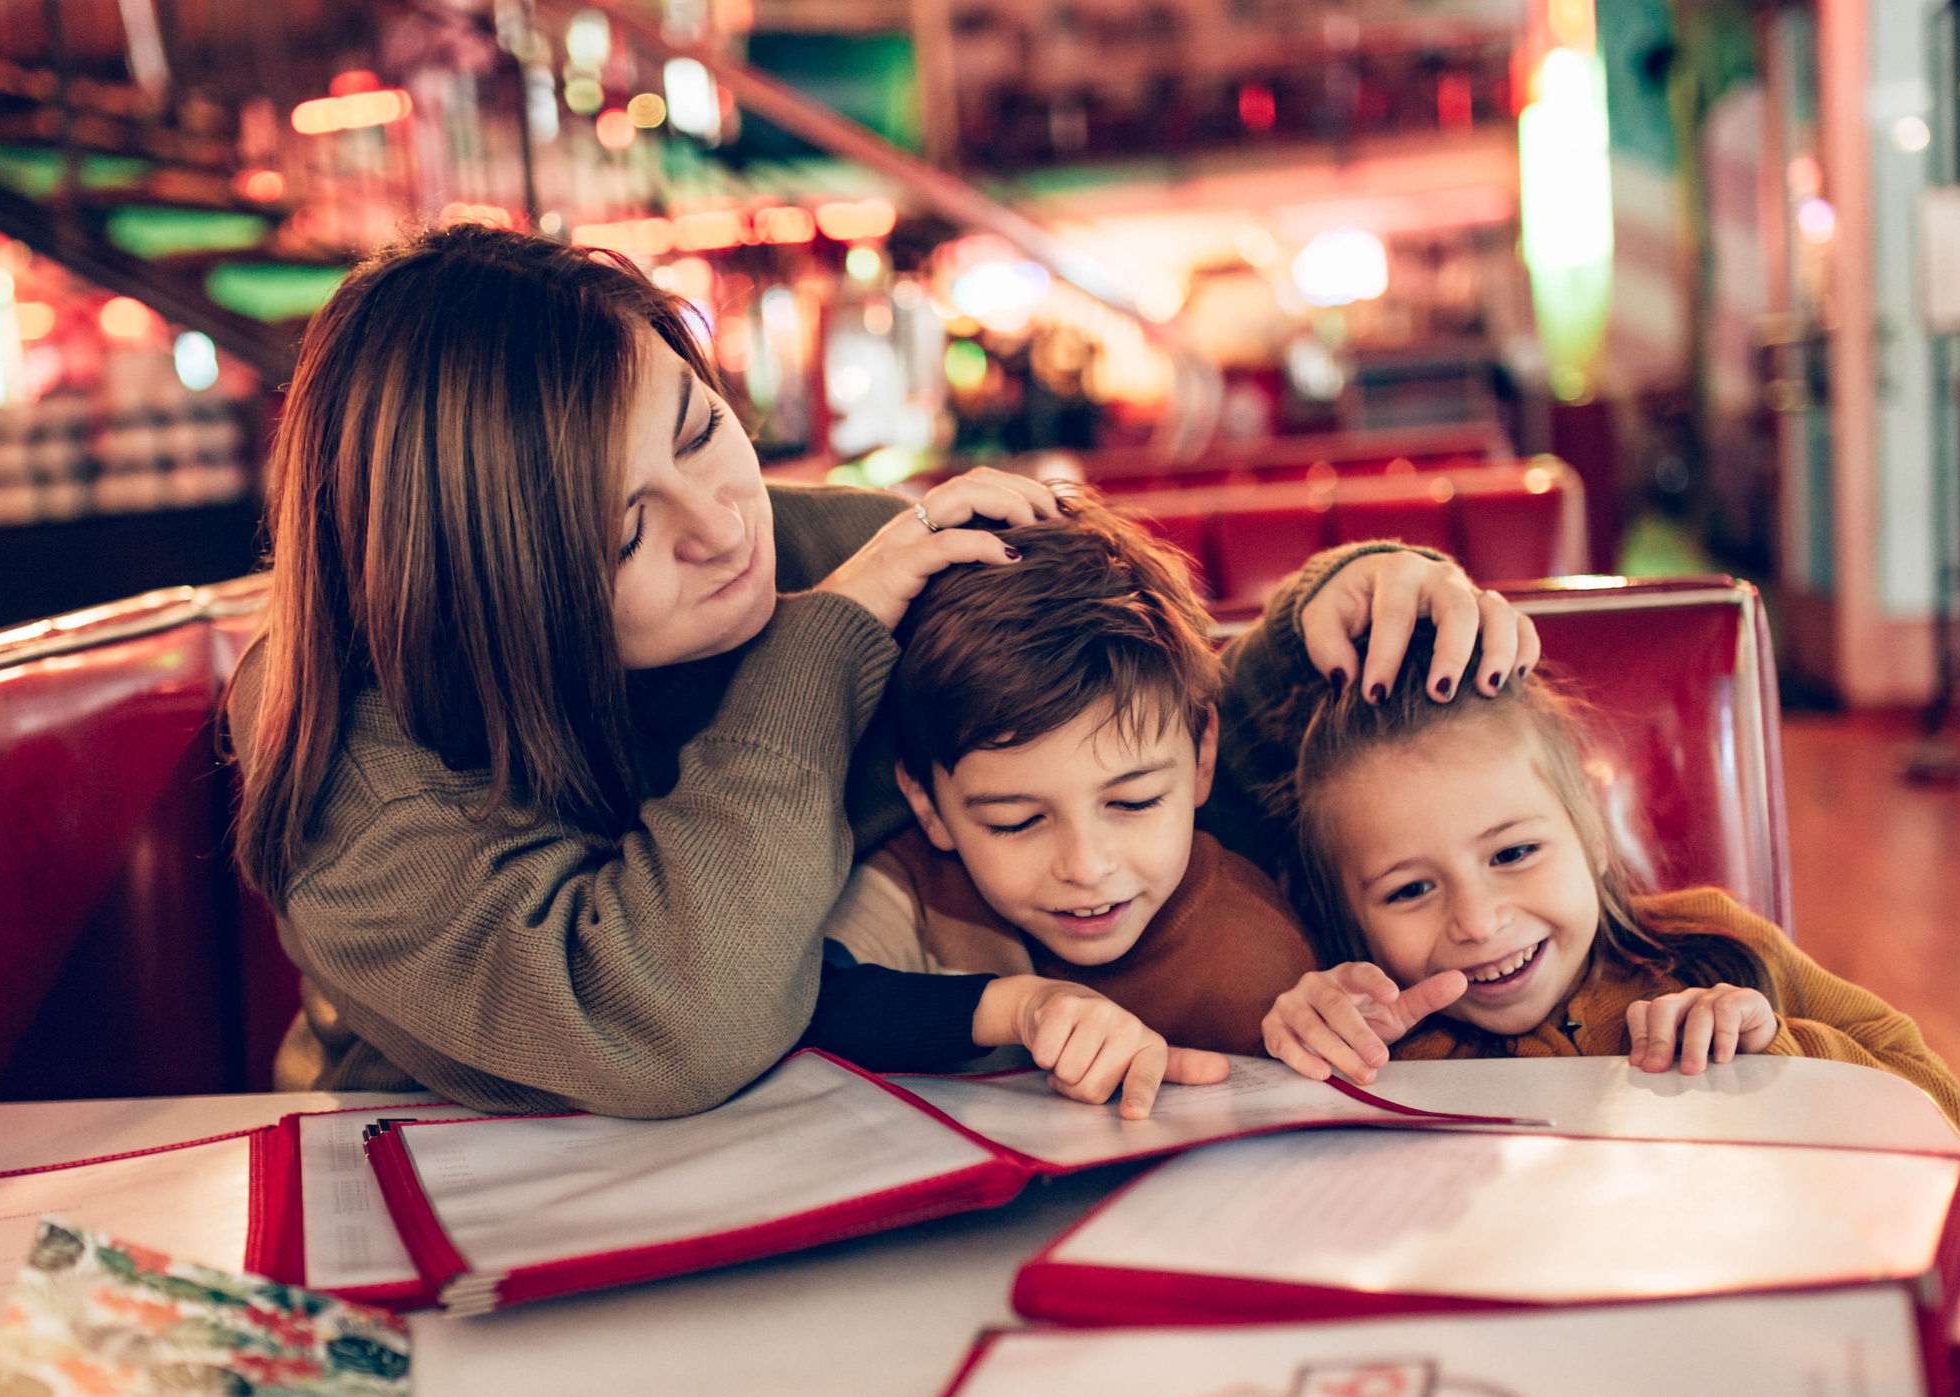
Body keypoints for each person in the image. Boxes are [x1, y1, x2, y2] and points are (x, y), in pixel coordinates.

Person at [227, 222, 1538, 1119]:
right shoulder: (353, 776)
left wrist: (1346, 613)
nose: (721, 521)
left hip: (862, 1176)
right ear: (484, 581)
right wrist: (819, 657)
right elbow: (675, 1021)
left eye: (701, 427)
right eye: (623, 528)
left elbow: (1126, 737)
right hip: (458, 1247)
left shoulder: (840, 549)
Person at [1247, 576, 1960, 1147]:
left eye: (1513, 851)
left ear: (1594, 836)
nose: (1478, 920)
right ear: (1350, 916)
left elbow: (1955, 1126)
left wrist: (1776, 1053)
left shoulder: (1713, 946)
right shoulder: (1376, 1045)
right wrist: (1308, 1056)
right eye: (1410, 889)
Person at [821, 496, 1319, 1103]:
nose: (1085, 867)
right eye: (1017, 821)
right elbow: (801, 1004)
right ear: (927, 806)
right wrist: (1016, 1008)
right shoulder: (916, 884)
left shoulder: (1254, 960)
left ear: (1203, 758)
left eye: (1133, 802)